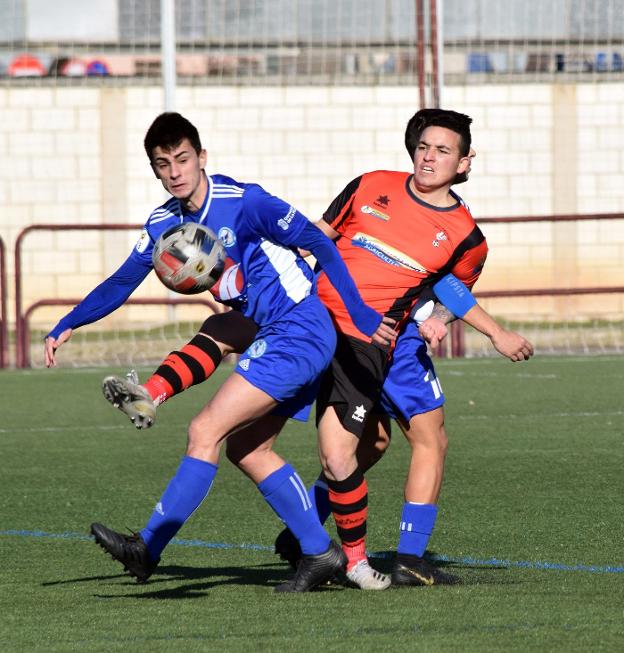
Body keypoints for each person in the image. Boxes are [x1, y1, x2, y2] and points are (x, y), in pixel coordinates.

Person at [97, 109, 532, 590]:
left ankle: (386, 554)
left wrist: (455, 324)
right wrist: (271, 287)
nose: (429, 158)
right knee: (267, 429)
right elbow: (318, 237)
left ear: (465, 162)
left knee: (397, 441)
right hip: (315, 322)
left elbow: (453, 288)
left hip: (387, 341)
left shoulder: (467, 236)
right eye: (423, 147)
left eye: (442, 151)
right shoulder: (369, 185)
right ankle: (328, 548)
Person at [45, 111, 398, 592]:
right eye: (163, 164)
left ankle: (147, 548)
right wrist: (68, 323)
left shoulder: (245, 202)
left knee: (204, 429)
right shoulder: (164, 223)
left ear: (202, 157)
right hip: (264, 328)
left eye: (183, 159)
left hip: (300, 329)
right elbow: (122, 282)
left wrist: (357, 312)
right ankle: (319, 553)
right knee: (247, 448)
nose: (175, 172)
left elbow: (318, 240)